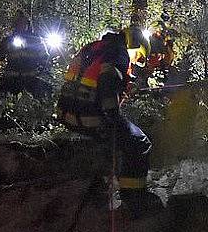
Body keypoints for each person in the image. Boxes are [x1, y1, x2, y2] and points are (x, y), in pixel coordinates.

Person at [56, 26, 161, 217]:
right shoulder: (118, 52)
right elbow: (107, 84)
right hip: (89, 118)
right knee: (139, 142)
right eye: (137, 56)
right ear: (134, 44)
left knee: (122, 135)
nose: (135, 61)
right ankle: (134, 199)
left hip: (66, 115)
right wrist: (112, 116)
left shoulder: (93, 47)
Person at [0, 11, 53, 99]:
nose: (20, 25)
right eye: (18, 23)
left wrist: (44, 65)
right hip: (12, 78)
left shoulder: (36, 40)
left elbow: (45, 58)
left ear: (27, 24)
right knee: (0, 93)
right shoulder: (8, 40)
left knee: (43, 92)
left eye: (22, 22)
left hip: (30, 78)